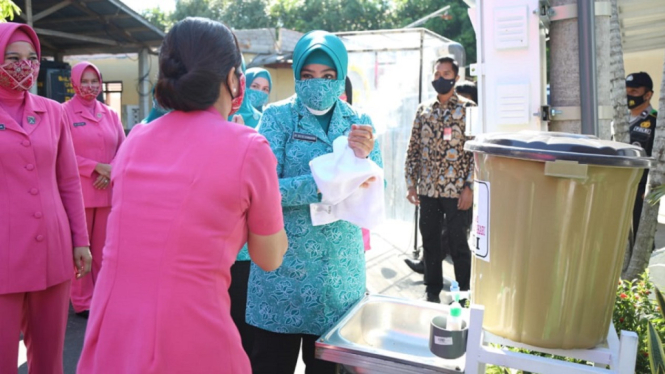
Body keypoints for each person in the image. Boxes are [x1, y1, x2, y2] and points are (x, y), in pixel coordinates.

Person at [77, 17, 288, 374]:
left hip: (114, 332)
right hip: (191, 335)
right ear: (232, 78)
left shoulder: (136, 140)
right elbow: (269, 258)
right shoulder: (248, 148)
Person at [246, 30, 382, 374]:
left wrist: (363, 160)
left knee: (329, 369)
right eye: (307, 76)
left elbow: (372, 186)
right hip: (281, 270)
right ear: (296, 76)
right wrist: (327, 184)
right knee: (269, 364)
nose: (317, 84)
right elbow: (262, 189)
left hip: (337, 276)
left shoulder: (359, 124)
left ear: (340, 76)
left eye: (328, 76)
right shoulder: (277, 118)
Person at [0, 22, 91, 374]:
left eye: (31, 58)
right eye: (12, 58)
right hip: (4, 256)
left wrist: (79, 240)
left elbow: (68, 180)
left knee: (50, 359)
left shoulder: (53, 112)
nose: (24, 66)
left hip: (51, 250)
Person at [404, 56, 474, 303]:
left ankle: (463, 295)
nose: (440, 78)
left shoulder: (468, 109)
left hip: (456, 191)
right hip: (429, 190)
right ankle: (432, 291)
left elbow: (476, 152)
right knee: (431, 243)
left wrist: (470, 187)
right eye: (437, 74)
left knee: (459, 245)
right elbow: (413, 148)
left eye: (446, 73)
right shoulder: (424, 110)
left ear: (455, 77)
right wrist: (411, 184)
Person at [62, 61, 126, 317]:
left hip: (107, 192)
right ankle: (82, 300)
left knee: (104, 250)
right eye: (84, 81)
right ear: (74, 83)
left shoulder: (109, 114)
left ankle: (101, 296)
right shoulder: (63, 112)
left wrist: (110, 169)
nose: (90, 86)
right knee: (80, 249)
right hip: (78, 194)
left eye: (94, 81)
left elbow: (124, 147)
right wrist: (96, 167)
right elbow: (61, 153)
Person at [626, 71, 658, 241]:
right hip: (620, 188)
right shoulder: (618, 121)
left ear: (648, 95)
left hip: (641, 192)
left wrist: (650, 189)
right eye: (627, 91)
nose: (629, 95)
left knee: (641, 239)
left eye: (634, 92)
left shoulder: (656, 122)